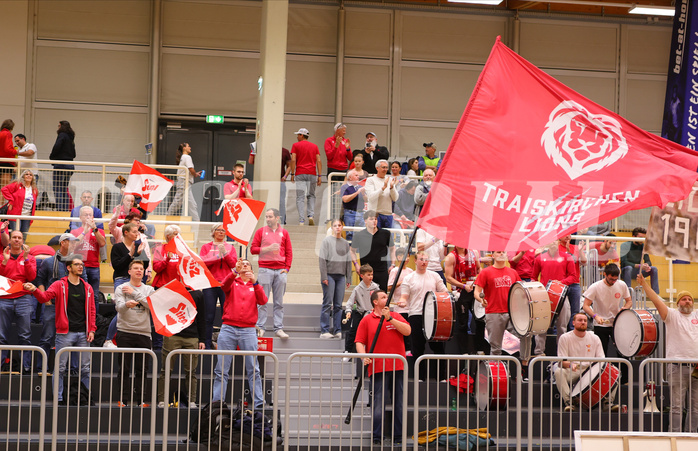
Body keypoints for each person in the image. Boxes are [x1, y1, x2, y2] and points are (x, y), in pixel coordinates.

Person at [27, 255, 96, 404]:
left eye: (82, 264)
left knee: (85, 369)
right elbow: (45, 297)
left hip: (84, 333)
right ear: (68, 268)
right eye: (77, 264)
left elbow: (92, 310)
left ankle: (86, 398)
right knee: (60, 368)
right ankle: (58, 399)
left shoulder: (87, 287)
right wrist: (34, 289)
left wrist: (92, 329)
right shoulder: (59, 285)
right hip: (65, 333)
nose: (81, 266)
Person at [637, 273, 698, 432]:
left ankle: (691, 437)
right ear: (678, 302)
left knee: (696, 407)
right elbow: (656, 301)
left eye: (690, 299)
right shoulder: (671, 315)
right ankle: (676, 436)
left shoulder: (697, 315)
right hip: (677, 366)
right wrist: (644, 284)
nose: (687, 301)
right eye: (684, 299)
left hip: (697, 368)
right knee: (676, 406)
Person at [355, 290, 411, 446]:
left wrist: (390, 318)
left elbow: (407, 331)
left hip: (398, 366)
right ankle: (377, 436)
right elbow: (359, 341)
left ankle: (399, 435)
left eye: (387, 297)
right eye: (384, 297)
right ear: (375, 302)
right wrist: (362, 355)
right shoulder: (366, 320)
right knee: (378, 403)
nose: (387, 299)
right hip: (378, 366)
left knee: (399, 402)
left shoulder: (396, 316)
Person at [211, 259, 268, 408]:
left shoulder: (254, 286)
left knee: (253, 368)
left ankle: (258, 403)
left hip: (248, 330)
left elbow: (263, 300)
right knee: (221, 369)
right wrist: (234, 272)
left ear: (252, 270)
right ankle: (217, 402)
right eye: (242, 264)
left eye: (247, 264)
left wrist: (255, 282)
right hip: (228, 327)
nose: (244, 265)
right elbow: (223, 286)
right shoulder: (233, 282)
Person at [34, 233, 82, 373]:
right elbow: (40, 280)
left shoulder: (77, 261)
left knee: (72, 337)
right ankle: (41, 367)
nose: (74, 244)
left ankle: (72, 369)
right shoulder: (49, 262)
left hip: (71, 307)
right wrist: (46, 299)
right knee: (47, 337)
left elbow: (84, 281)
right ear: (63, 243)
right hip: (53, 305)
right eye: (71, 242)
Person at [397, 251, 448, 381]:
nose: (424, 262)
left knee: (438, 347)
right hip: (416, 314)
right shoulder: (409, 278)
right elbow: (404, 296)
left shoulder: (435, 276)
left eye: (426, 259)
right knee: (417, 347)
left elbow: (444, 292)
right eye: (421, 259)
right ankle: (419, 377)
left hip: (433, 315)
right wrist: (402, 301)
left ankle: (441, 377)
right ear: (415, 260)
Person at [554, 312, 617, 412]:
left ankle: (607, 403)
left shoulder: (595, 338)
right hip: (574, 370)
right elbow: (561, 362)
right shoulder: (565, 338)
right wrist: (571, 365)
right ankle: (569, 402)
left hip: (591, 370)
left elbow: (602, 360)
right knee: (558, 372)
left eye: (585, 320)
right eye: (580, 320)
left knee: (614, 371)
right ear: (573, 323)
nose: (583, 322)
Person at [474, 251, 530, 363]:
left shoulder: (513, 272)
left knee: (526, 334)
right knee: (495, 348)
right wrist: (481, 299)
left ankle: (524, 362)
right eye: (498, 252)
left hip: (512, 313)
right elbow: (477, 291)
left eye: (503, 252)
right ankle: (495, 375)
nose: (501, 254)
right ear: (493, 256)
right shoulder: (485, 272)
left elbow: (520, 292)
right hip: (493, 312)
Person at [113, 260, 154, 407]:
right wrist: (126, 304)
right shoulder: (121, 288)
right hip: (125, 331)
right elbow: (119, 308)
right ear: (129, 271)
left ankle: (140, 401)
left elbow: (152, 305)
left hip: (144, 333)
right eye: (135, 268)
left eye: (141, 269)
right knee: (124, 368)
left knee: (142, 370)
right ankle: (122, 400)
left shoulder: (149, 289)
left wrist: (134, 294)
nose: (139, 271)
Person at [156, 288, 206, 409]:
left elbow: (202, 318)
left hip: (192, 337)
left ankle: (192, 400)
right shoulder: (172, 291)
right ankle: (162, 400)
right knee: (166, 369)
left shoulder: (198, 294)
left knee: (191, 371)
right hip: (172, 335)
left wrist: (203, 339)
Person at [251, 208, 292, 339]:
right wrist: (267, 248)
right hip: (265, 269)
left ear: (277, 218)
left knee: (279, 302)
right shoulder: (260, 232)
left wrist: (287, 269)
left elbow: (289, 252)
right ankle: (260, 327)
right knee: (262, 301)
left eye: (270, 217)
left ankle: (278, 328)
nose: (268, 219)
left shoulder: (284, 233)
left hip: (280, 270)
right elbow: (253, 249)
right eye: (267, 217)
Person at [0, 230, 37, 373]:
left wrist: (26, 258)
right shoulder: (2, 256)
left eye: (19, 238)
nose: (16, 240)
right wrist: (4, 261)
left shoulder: (30, 258)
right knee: (1, 335)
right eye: (14, 237)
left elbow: (32, 277)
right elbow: (1, 276)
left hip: (24, 298)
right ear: (9, 241)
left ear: (23, 241)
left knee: (25, 335)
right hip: (4, 299)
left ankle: (25, 368)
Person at [200, 223, 237, 349]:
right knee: (209, 316)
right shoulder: (206, 247)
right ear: (213, 232)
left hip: (225, 284)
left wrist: (225, 253)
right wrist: (217, 257)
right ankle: (207, 343)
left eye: (223, 230)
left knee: (226, 315)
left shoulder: (230, 247)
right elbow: (203, 263)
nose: (221, 232)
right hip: (210, 283)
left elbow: (233, 264)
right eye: (218, 230)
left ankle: (224, 344)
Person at [582, 263, 632, 354]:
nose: (613, 282)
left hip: (617, 323)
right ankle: (601, 368)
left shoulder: (622, 284)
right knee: (601, 352)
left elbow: (629, 301)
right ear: (604, 274)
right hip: (601, 324)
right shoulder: (595, 286)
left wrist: (625, 308)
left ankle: (622, 369)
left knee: (623, 352)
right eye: (611, 279)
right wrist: (595, 316)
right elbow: (585, 305)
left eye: (615, 280)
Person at [444, 246, 481, 355]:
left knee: (479, 319)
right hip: (461, 291)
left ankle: (479, 349)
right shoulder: (451, 257)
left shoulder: (474, 252)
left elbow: (479, 269)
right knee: (463, 322)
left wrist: (478, 280)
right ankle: (464, 351)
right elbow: (448, 277)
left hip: (474, 289)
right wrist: (463, 286)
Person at [319, 219, 353, 339]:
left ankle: (337, 330)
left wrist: (349, 277)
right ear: (332, 228)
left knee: (338, 305)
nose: (337, 227)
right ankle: (324, 330)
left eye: (339, 225)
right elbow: (322, 260)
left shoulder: (345, 243)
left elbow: (348, 261)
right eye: (335, 225)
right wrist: (324, 276)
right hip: (329, 275)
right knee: (327, 303)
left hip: (341, 276)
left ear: (342, 227)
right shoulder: (326, 241)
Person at [71, 206, 106, 313]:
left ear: (93, 217)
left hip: (94, 266)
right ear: (80, 217)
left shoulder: (98, 231)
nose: (88, 217)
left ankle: (94, 319)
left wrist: (94, 229)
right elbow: (73, 246)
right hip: (79, 266)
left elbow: (102, 243)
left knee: (94, 295)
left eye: (90, 215)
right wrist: (84, 232)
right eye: (85, 215)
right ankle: (81, 316)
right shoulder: (75, 231)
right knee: (81, 294)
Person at [350, 210, 394, 291]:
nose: (374, 221)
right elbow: (352, 251)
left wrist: (393, 264)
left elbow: (392, 249)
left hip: (382, 271)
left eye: (375, 219)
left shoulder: (385, 233)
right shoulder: (359, 235)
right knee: (366, 298)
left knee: (381, 296)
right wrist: (356, 264)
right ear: (365, 221)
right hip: (366, 271)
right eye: (371, 219)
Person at [344, 264, 379, 356]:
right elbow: (350, 302)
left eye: (372, 274)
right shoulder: (357, 289)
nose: (371, 277)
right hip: (360, 313)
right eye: (368, 275)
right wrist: (348, 311)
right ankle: (348, 352)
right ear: (362, 276)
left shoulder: (376, 288)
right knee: (353, 331)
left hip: (372, 313)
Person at [290, 128, 322, 226]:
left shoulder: (295, 145)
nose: (297, 137)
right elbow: (319, 161)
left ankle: (301, 220)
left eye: (298, 135)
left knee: (300, 197)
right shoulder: (315, 146)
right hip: (312, 173)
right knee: (311, 195)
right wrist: (319, 175)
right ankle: (311, 215)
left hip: (300, 173)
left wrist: (292, 173)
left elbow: (293, 160)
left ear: (302, 135)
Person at [166, 142, 200, 221]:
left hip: (185, 183)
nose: (190, 148)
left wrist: (195, 173)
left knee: (191, 204)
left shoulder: (183, 157)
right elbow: (191, 169)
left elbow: (189, 170)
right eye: (188, 146)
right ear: (184, 148)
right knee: (178, 202)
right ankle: (166, 218)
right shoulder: (187, 157)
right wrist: (194, 174)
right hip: (184, 182)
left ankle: (197, 221)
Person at [110, 222, 149, 290]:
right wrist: (130, 255)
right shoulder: (117, 247)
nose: (137, 234)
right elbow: (116, 266)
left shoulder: (138, 247)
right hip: (122, 279)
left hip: (136, 280)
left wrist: (140, 254)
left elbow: (145, 265)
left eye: (137, 232)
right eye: (134, 232)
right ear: (126, 232)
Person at [558, 234, 586, 330]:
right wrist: (568, 253)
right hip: (562, 283)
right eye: (564, 234)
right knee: (560, 310)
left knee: (575, 311)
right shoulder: (556, 248)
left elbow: (584, 262)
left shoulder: (576, 248)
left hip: (575, 283)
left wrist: (581, 251)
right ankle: (557, 332)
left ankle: (573, 331)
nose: (567, 236)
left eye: (569, 234)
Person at [621, 227, 659, 294]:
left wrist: (646, 265)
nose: (642, 240)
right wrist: (639, 265)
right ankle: (628, 294)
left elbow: (648, 261)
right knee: (628, 268)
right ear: (633, 237)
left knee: (654, 269)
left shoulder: (643, 246)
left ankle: (655, 294)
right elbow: (624, 262)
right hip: (627, 271)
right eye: (640, 237)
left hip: (639, 271)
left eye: (643, 238)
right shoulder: (625, 245)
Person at [49, 120, 76, 212]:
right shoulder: (70, 137)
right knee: (64, 189)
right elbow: (74, 153)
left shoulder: (62, 135)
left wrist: (52, 157)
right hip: (70, 165)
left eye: (58, 126)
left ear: (61, 126)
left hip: (61, 165)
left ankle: (60, 209)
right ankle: (64, 209)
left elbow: (56, 146)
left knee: (57, 188)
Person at [364, 160, 398, 229]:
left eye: (386, 167)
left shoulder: (390, 179)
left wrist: (392, 188)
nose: (385, 169)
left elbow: (395, 198)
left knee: (388, 239)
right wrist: (383, 188)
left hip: (388, 215)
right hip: (375, 215)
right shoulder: (370, 180)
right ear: (377, 168)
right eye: (383, 167)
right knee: (375, 238)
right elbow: (370, 197)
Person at [1, 170, 38, 235]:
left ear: (33, 177)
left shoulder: (34, 190)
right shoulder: (17, 185)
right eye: (26, 174)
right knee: (15, 235)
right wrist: (11, 200)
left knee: (23, 236)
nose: (28, 176)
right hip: (15, 215)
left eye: (30, 174)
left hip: (27, 216)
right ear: (23, 176)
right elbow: (4, 189)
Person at [341, 171, 365, 242]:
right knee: (350, 234)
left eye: (358, 175)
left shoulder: (360, 187)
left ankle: (359, 252)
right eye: (356, 175)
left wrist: (363, 194)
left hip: (360, 213)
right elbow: (345, 199)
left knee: (361, 233)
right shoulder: (345, 187)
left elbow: (366, 200)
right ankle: (350, 251)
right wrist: (357, 193)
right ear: (350, 177)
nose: (358, 177)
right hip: (350, 212)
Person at [0, 120, 18, 193]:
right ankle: (2, 204)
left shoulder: (0, 133)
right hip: (7, 163)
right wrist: (16, 151)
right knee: (4, 187)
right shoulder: (8, 134)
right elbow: (7, 149)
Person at [279, 147, 292, 224]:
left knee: (281, 202)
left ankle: (282, 221)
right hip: (270, 180)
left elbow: (289, 166)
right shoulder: (267, 148)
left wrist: (285, 176)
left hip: (280, 180)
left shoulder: (285, 151)